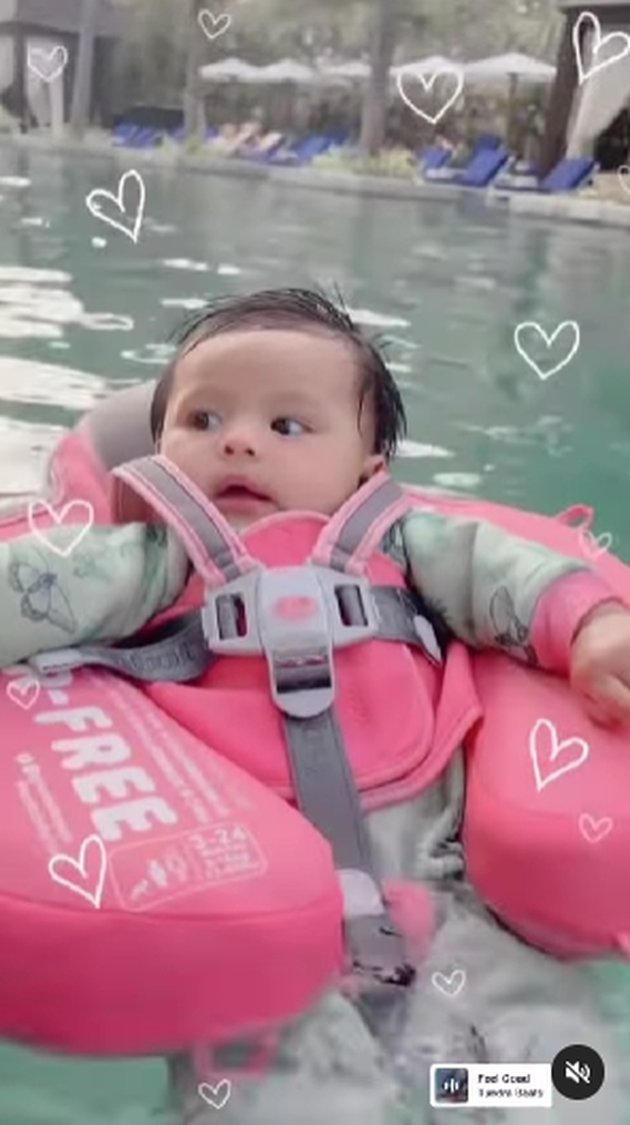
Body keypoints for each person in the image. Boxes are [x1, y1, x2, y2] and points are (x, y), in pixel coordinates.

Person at [2, 288, 630, 1123]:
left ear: (368, 470)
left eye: (287, 426)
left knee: (562, 1080)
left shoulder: (408, 543)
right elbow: (33, 590)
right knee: (292, 1100)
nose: (237, 439)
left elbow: (515, 577)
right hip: (255, 913)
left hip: (447, 887)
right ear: (160, 452)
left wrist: (593, 630)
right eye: (202, 419)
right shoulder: (152, 560)